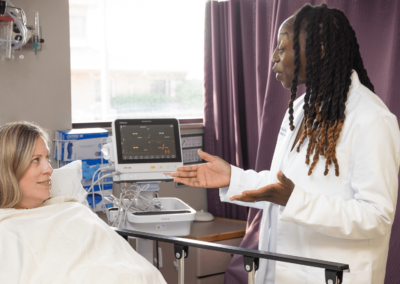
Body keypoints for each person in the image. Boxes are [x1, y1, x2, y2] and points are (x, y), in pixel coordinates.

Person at [172, 4, 400, 284]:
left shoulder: (371, 118)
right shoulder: (301, 108)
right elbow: (281, 183)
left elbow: (376, 216)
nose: (273, 57)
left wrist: (295, 201)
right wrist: (234, 177)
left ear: (318, 52)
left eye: (282, 48)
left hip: (333, 276)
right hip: (280, 270)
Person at [0, 121, 166, 284]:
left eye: (47, 158)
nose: (49, 169)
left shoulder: (72, 209)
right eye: (36, 159)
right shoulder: (5, 228)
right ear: (10, 169)